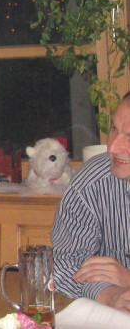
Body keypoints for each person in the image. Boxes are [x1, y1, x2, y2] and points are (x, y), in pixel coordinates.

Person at [51, 91, 130, 312]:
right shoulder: (92, 181)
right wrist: (108, 293)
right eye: (113, 129)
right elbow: (63, 262)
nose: (112, 147)